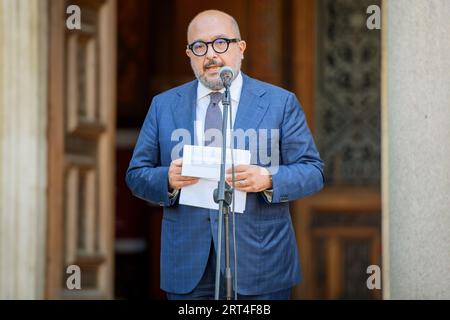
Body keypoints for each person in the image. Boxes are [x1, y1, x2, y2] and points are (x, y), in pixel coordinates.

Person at [126, 9, 324, 300]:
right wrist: (166, 179)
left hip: (261, 260)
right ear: (189, 54)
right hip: (189, 265)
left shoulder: (280, 103)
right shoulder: (164, 106)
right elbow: (136, 175)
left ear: (240, 48)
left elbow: (313, 171)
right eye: (199, 46)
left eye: (221, 43)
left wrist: (268, 178)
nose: (211, 55)